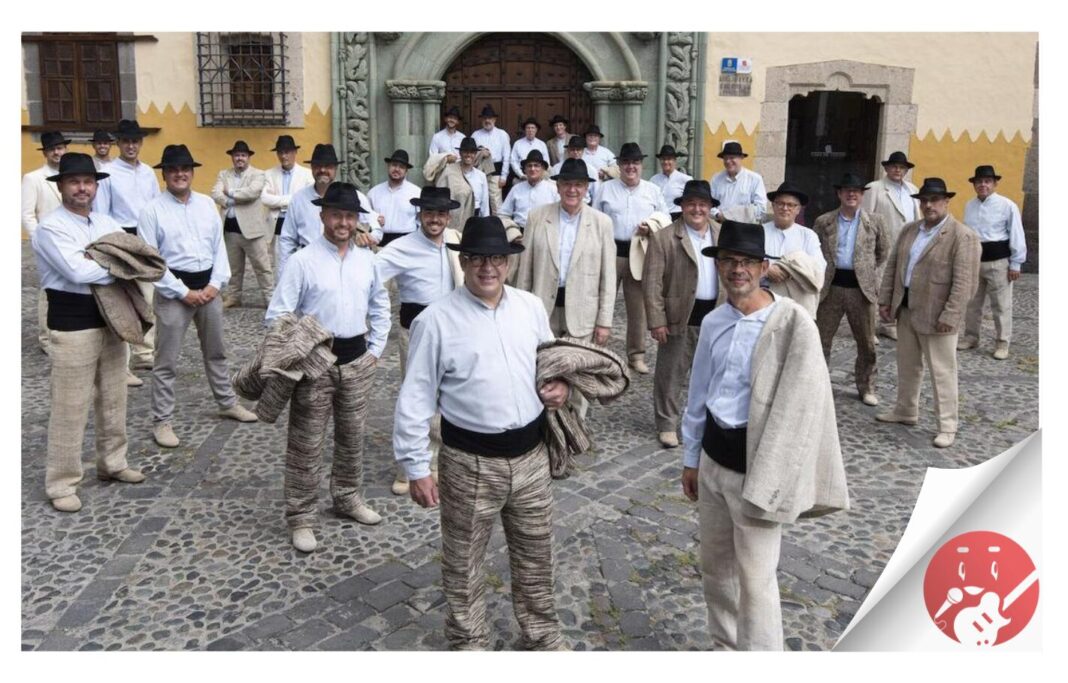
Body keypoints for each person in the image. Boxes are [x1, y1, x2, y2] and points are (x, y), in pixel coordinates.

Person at [394, 215, 569, 650]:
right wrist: (417, 466)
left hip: (531, 457)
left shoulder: (529, 307)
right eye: (476, 258)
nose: (487, 267)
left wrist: (560, 385)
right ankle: (470, 641)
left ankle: (541, 635)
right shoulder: (435, 321)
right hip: (469, 462)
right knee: (463, 561)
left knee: (536, 554)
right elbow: (414, 398)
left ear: (508, 263)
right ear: (464, 261)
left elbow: (551, 362)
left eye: (495, 258)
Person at [681, 220, 848, 650]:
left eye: (747, 262)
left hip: (759, 468)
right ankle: (725, 647)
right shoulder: (716, 322)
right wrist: (691, 457)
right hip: (715, 465)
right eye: (729, 261)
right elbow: (700, 392)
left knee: (756, 581)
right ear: (719, 267)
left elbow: (805, 410)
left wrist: (778, 477)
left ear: (763, 267)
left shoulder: (792, 323)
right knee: (716, 571)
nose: (738, 270)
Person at [267, 182, 391, 552]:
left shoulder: (367, 260)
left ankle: (348, 497)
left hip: (357, 361)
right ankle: (301, 516)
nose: (343, 222)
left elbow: (380, 305)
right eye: (336, 214)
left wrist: (376, 350)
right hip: (315, 363)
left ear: (357, 221)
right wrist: (301, 349)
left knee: (352, 437)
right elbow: (279, 314)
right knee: (306, 442)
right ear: (322, 216)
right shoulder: (302, 261)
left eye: (350, 216)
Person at [31, 153, 147, 513]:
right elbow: (77, 272)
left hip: (111, 317)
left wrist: (105, 261)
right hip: (72, 320)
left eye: (88, 182)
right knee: (70, 405)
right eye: (74, 182)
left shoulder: (105, 221)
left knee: (114, 396)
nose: (82, 188)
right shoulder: (51, 228)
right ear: (61, 186)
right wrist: (115, 265)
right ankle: (61, 482)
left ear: (96, 186)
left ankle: (112, 463)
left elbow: (130, 259)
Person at [138, 144, 259, 449]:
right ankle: (162, 420)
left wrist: (215, 285)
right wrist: (183, 292)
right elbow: (151, 262)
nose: (180, 174)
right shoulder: (151, 211)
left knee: (216, 352)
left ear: (192, 173)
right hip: (173, 293)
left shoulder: (206, 204)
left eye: (185, 169)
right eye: (174, 170)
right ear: (164, 174)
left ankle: (227, 402)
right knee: (166, 361)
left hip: (208, 290)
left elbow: (218, 248)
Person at [876, 178, 981, 449]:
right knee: (908, 365)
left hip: (938, 315)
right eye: (924, 200)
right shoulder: (910, 230)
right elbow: (892, 267)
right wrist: (886, 300)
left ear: (946, 202)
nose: (928, 205)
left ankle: (947, 425)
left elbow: (965, 283)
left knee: (942, 372)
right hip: (907, 307)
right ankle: (906, 410)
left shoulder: (961, 236)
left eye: (934, 200)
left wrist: (951, 315)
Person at [375, 186, 463, 495]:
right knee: (415, 399)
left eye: (440, 213)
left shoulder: (454, 240)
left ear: (448, 216)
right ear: (420, 215)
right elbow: (371, 276)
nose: (435, 219)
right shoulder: (401, 247)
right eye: (429, 213)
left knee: (447, 396)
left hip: (451, 330)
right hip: (415, 331)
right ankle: (408, 469)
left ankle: (435, 462)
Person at [515, 157, 615, 419]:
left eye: (579, 185)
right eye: (567, 184)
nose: (573, 190)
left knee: (578, 374)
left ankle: (575, 429)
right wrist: (522, 311)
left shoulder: (602, 223)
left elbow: (608, 277)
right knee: (542, 370)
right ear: (557, 187)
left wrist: (604, 321)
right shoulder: (537, 217)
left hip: (582, 313)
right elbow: (525, 269)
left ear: (587, 189)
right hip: (543, 310)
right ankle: (542, 426)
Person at [643, 180, 721, 448]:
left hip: (716, 316)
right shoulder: (665, 237)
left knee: (713, 374)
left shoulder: (722, 233)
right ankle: (666, 423)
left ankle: (708, 421)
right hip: (679, 316)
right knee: (671, 373)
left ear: (710, 207)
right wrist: (656, 320)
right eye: (691, 204)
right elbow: (651, 282)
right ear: (683, 206)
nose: (697, 209)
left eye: (702, 204)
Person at [812, 173, 891, 406]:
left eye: (856, 191)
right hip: (831, 288)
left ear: (863, 195)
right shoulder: (824, 221)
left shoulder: (875, 221)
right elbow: (814, 251)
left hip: (861, 289)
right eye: (847, 190)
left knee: (866, 342)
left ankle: (866, 386)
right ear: (839, 194)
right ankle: (818, 384)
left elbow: (883, 252)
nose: (851, 194)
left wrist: (865, 271)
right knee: (821, 339)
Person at [592, 142, 671, 374]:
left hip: (640, 252)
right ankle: (594, 352)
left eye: (635, 162)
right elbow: (594, 219)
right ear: (619, 165)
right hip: (611, 251)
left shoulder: (652, 191)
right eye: (626, 162)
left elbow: (665, 219)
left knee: (638, 309)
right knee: (601, 302)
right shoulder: (605, 189)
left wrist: (652, 227)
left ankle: (636, 355)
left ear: (642, 165)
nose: (630, 167)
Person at [100, 119, 161, 374]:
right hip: (121, 235)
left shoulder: (147, 171)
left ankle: (145, 352)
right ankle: (120, 360)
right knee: (123, 297)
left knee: (149, 296)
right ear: (119, 143)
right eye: (126, 141)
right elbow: (102, 211)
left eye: (135, 141)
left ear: (141, 143)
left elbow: (157, 204)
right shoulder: (108, 173)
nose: (131, 146)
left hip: (145, 236)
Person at [276, 143, 381, 275]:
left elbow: (376, 229)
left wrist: (367, 237)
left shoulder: (355, 197)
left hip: (345, 264)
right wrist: (283, 275)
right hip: (309, 265)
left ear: (336, 168)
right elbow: (287, 239)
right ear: (312, 167)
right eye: (318, 166)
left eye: (328, 166)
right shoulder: (299, 199)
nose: (323, 170)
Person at [959, 165, 1027, 360]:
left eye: (987, 181)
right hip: (974, 261)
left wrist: (1016, 263)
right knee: (972, 303)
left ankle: (1002, 342)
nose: (983, 185)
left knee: (1001, 305)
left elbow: (1016, 234)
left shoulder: (1007, 206)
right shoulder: (970, 205)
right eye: (979, 181)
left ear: (995, 183)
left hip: (998, 262)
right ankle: (971, 336)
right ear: (974, 184)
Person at [863, 151, 920, 341]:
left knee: (897, 287)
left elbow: (916, 216)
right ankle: (869, 328)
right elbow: (866, 218)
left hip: (907, 246)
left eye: (902, 167)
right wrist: (868, 246)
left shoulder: (912, 189)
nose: (898, 170)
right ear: (886, 168)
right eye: (894, 166)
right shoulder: (875, 188)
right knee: (876, 287)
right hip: (882, 246)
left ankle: (888, 323)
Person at [210, 140, 274, 308]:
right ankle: (234, 296)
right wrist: (231, 201)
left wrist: (229, 192)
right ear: (232, 157)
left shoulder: (258, 174)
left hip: (252, 230)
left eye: (243, 155)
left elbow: (252, 193)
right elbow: (215, 193)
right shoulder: (224, 174)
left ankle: (270, 298)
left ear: (248, 157)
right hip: (229, 229)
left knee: (262, 267)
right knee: (233, 268)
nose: (240, 158)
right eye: (237, 155)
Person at [22, 131, 69, 355]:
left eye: (60, 148)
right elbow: (27, 214)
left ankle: (65, 332)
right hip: (47, 240)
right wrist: (39, 240)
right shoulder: (34, 178)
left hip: (71, 240)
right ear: (46, 152)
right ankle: (46, 338)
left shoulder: (70, 174)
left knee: (69, 286)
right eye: (53, 149)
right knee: (48, 290)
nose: (57, 152)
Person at [761, 182, 827, 316]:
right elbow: (750, 261)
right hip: (764, 302)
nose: (785, 208)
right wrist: (766, 270)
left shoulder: (808, 236)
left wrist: (788, 269)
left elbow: (818, 267)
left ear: (798, 209)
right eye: (780, 203)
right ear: (773, 206)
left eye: (791, 205)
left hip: (797, 304)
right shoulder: (759, 232)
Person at [261, 135, 314, 269]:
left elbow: (308, 199)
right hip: (278, 226)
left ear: (295, 152)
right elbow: (264, 198)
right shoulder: (269, 174)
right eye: (280, 152)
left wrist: (278, 200)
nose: (284, 156)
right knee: (281, 266)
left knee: (303, 265)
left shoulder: (307, 174)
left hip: (301, 225)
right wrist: (293, 198)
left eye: (287, 152)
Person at [366, 149, 421, 248]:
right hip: (380, 242)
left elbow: (421, 220)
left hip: (407, 241)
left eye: (401, 167)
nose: (397, 169)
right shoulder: (374, 193)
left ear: (406, 171)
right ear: (388, 166)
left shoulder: (416, 193)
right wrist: (373, 219)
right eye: (394, 165)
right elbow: (365, 217)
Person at [435, 136, 490, 232]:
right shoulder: (449, 171)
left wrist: (485, 225)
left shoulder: (481, 176)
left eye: (472, 152)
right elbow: (439, 197)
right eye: (465, 151)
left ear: (476, 154)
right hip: (453, 218)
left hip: (475, 218)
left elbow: (484, 205)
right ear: (460, 153)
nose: (469, 155)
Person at [498, 150, 559, 231]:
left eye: (536, 166)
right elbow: (503, 214)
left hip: (545, 233)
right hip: (520, 234)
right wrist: (513, 234)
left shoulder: (553, 189)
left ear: (543, 169)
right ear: (525, 170)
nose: (532, 169)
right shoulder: (516, 189)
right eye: (529, 166)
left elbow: (561, 214)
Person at [709, 141, 767, 223]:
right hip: (720, 225)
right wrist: (718, 215)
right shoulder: (716, 179)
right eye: (725, 158)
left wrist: (735, 215)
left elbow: (761, 209)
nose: (728, 161)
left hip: (745, 227)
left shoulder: (755, 179)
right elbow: (708, 204)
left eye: (732, 157)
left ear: (741, 158)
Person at [470, 105, 512, 193]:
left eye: (489, 118)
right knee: (478, 198)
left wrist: (504, 176)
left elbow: (507, 157)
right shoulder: (475, 135)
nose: (487, 121)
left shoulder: (502, 134)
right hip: (479, 171)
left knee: (496, 203)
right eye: (485, 118)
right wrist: (481, 153)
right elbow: (470, 154)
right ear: (482, 120)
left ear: (494, 119)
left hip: (496, 172)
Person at [650, 144, 693, 220]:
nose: (666, 162)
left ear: (675, 160)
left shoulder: (685, 180)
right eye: (663, 159)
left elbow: (691, 201)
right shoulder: (653, 180)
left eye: (669, 159)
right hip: (659, 218)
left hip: (678, 219)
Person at [550, 136, 596, 204]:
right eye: (572, 149)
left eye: (578, 150)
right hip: (560, 205)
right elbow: (551, 190)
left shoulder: (591, 170)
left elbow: (596, 193)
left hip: (584, 205)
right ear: (568, 150)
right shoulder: (556, 168)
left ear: (583, 151)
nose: (575, 152)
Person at [508, 117, 549, 181]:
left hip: (539, 177)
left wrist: (539, 176)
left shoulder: (542, 144)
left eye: (533, 128)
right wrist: (521, 175)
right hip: (521, 177)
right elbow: (513, 161)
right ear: (525, 130)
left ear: (536, 130)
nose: (530, 130)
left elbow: (546, 162)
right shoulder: (518, 143)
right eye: (528, 128)